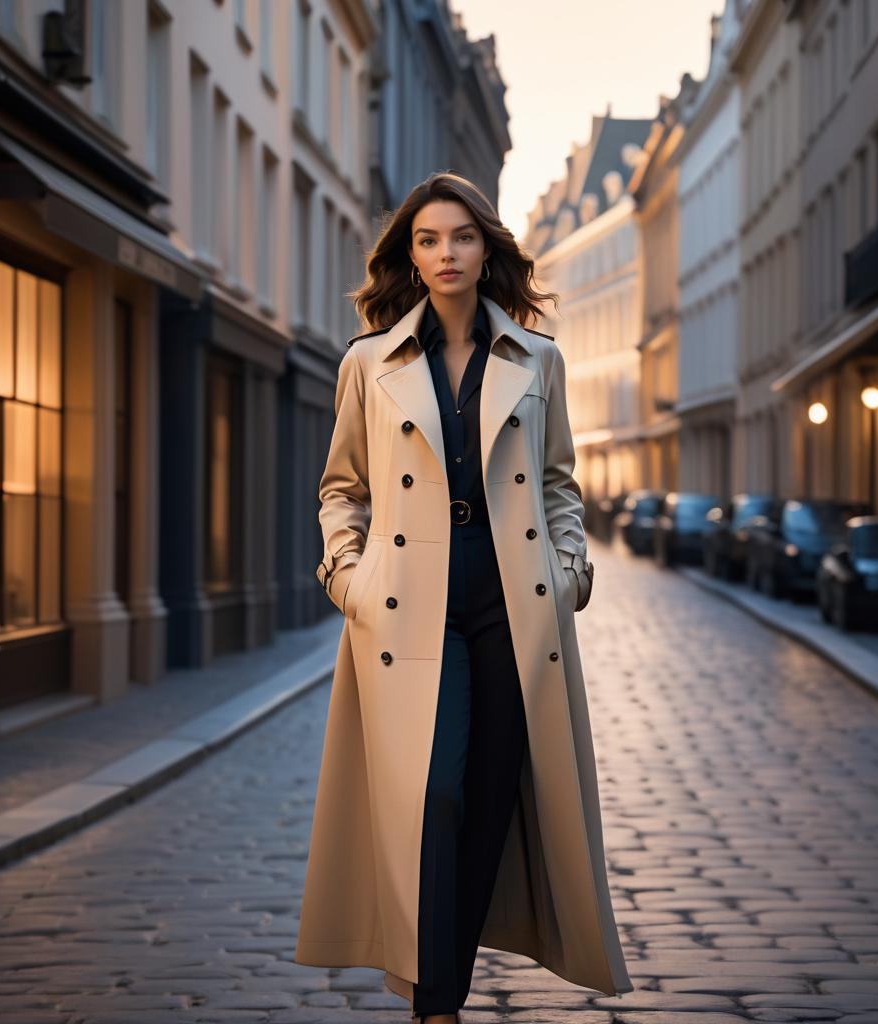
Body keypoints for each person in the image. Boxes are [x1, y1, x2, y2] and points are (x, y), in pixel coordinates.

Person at [295, 171, 632, 1023]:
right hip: (409, 606)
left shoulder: (537, 358)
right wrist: (348, 574)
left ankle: (440, 995)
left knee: (489, 797)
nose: (446, 254)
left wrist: (570, 575)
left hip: (512, 605)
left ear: (489, 250)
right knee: (431, 792)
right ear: (410, 257)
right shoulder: (368, 363)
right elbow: (342, 488)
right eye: (428, 239)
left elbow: (559, 485)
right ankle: (436, 1005)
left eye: (462, 237)